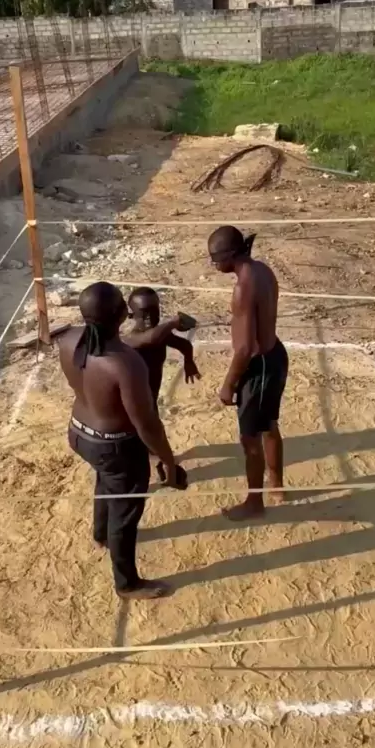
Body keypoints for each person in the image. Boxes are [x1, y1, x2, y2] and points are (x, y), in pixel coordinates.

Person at [58, 281, 182, 599]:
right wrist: (168, 461)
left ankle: (100, 534)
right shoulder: (125, 363)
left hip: (79, 433)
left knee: (106, 479)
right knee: (125, 512)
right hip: (114, 445)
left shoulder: (68, 340)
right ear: (122, 315)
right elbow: (147, 424)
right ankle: (126, 583)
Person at [207, 226, 288, 519]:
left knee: (250, 437)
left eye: (214, 258)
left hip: (259, 366)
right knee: (270, 425)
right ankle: (276, 484)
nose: (213, 264)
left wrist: (228, 384)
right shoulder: (263, 269)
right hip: (275, 354)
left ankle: (255, 502)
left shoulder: (243, 288)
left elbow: (244, 349)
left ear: (229, 255)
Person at [124, 286, 201, 482]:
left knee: (152, 433)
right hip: (133, 404)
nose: (150, 318)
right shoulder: (131, 340)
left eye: (154, 311)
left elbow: (184, 344)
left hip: (151, 397)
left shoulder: (160, 335)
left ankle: (157, 458)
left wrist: (189, 362)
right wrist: (174, 322)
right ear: (131, 314)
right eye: (144, 313)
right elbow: (151, 338)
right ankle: (159, 466)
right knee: (141, 436)